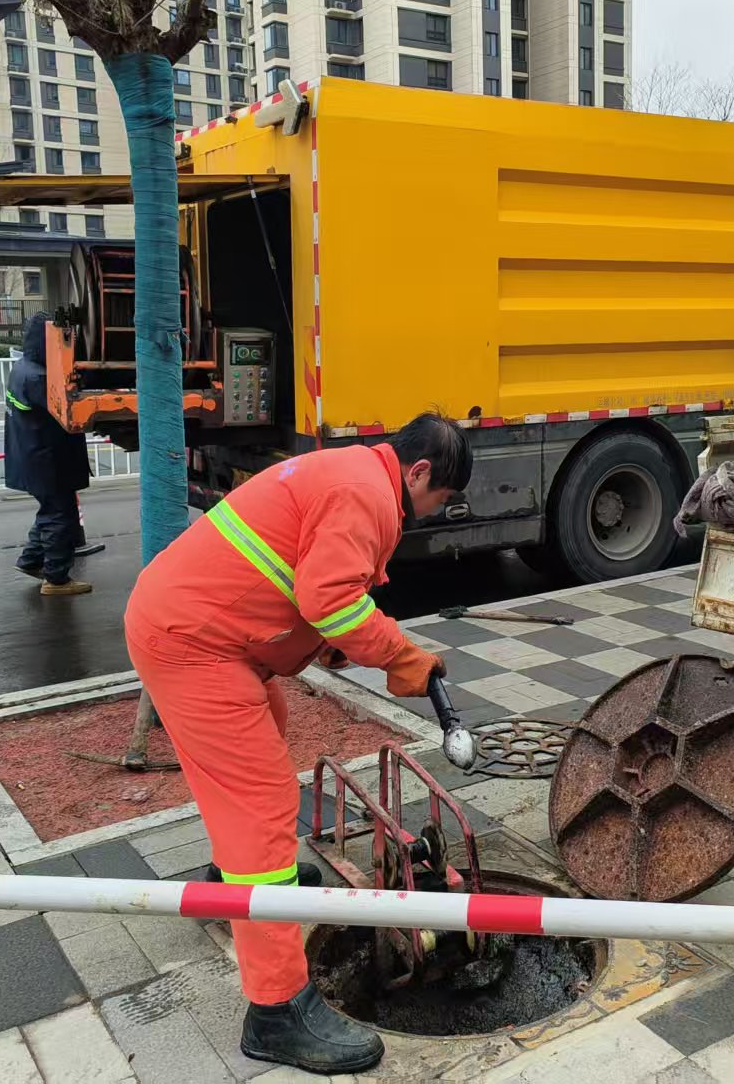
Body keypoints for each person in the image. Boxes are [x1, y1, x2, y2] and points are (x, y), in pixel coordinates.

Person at [125, 412, 472, 1075]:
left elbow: (296, 576)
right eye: (441, 498)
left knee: (266, 735)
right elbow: (330, 597)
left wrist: (330, 642)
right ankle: (276, 1010)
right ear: (421, 472)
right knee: (260, 801)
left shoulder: (352, 472)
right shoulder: (367, 493)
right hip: (195, 643)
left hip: (200, 629)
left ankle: (232, 882)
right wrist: (399, 654)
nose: (434, 511)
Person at [4, 313, 93, 596]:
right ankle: (56, 580)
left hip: (32, 456)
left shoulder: (23, 368)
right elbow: (71, 412)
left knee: (50, 511)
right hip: (47, 459)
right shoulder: (40, 378)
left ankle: (31, 561)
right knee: (60, 515)